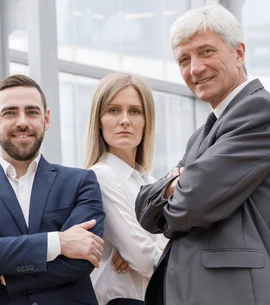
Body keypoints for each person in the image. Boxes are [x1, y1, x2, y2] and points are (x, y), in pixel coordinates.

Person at [135, 5, 270, 305]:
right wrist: (174, 189)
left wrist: (174, 191)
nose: (195, 68)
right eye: (184, 59)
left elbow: (192, 203)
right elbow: (144, 206)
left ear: (239, 53)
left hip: (233, 294)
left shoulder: (260, 111)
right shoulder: (203, 134)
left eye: (206, 51)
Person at [0, 74, 105, 305]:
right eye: (10, 112)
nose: (22, 122)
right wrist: (59, 242)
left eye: (32, 112)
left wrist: (1, 275)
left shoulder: (81, 182)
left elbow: (83, 259)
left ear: (46, 119)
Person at [84, 72, 166, 305]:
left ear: (146, 121)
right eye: (113, 110)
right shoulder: (100, 176)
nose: (124, 120)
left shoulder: (151, 182)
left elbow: (171, 242)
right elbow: (141, 256)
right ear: (98, 121)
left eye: (135, 111)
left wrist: (145, 246)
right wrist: (141, 248)